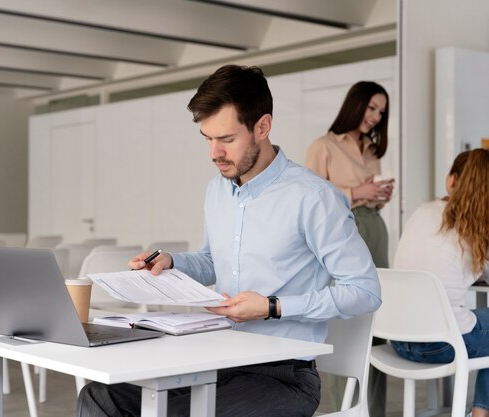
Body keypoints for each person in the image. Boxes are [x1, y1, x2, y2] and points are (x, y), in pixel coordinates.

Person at [76, 65, 381, 417]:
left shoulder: (314, 198)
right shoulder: (218, 190)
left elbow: (365, 290)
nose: (214, 153)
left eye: (226, 139)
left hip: (282, 374)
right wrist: (172, 261)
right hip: (218, 358)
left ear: (262, 127)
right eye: (208, 138)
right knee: (101, 396)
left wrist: (271, 307)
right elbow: (212, 260)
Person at [305, 81, 393, 417]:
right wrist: (358, 191)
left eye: (381, 112)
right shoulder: (323, 146)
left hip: (374, 226)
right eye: (371, 108)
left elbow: (368, 196)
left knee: (378, 319)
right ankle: (347, 407)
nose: (375, 117)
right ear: (355, 105)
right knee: (349, 316)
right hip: (344, 230)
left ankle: (377, 410)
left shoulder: (371, 151)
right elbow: (311, 198)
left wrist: (379, 195)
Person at [393, 148, 489, 417]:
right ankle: (482, 413)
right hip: (439, 346)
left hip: (398, 339)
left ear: (451, 180)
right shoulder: (478, 227)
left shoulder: (423, 211)